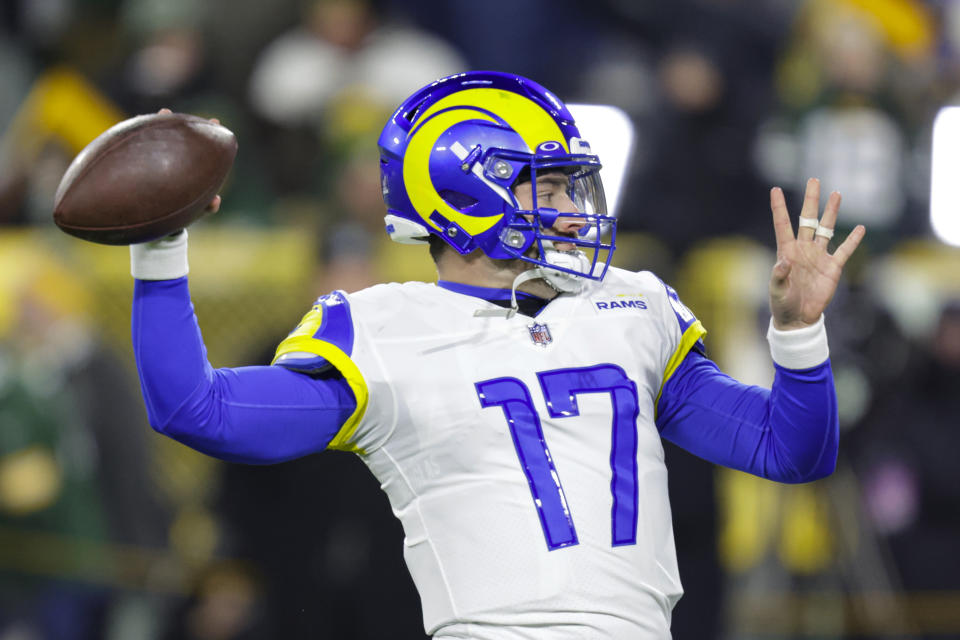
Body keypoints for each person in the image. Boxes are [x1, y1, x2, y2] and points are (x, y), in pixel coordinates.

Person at [130, 71, 865, 638]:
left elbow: (789, 449)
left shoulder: (632, 306)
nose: (576, 210)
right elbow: (199, 410)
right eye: (549, 186)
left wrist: (798, 332)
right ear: (466, 199)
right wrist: (160, 246)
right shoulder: (385, 330)